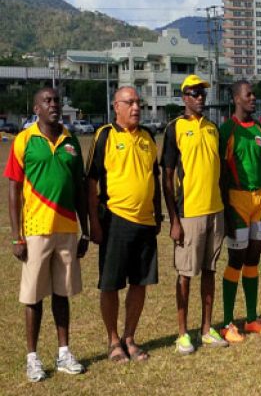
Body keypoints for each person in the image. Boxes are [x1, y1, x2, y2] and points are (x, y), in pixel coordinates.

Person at [5, 87, 88, 381]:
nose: (53, 104)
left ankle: (64, 352)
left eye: (56, 100)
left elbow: (79, 188)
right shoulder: (24, 141)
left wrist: (86, 231)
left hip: (67, 229)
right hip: (36, 230)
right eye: (47, 101)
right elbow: (14, 188)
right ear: (36, 108)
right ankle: (33, 357)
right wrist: (17, 235)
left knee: (62, 294)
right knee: (33, 297)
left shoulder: (71, 141)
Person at [87, 87, 161, 362]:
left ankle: (130, 337)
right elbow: (91, 181)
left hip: (145, 223)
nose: (136, 108)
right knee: (110, 284)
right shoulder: (105, 135)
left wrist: (158, 215)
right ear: (116, 106)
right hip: (115, 221)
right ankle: (114, 341)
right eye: (129, 102)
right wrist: (93, 222)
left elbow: (154, 177)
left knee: (140, 282)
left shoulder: (148, 137)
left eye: (139, 102)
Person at [162, 75, 227, 354]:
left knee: (210, 271)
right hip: (189, 213)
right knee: (186, 274)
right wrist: (174, 219)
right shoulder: (174, 128)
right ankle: (182, 333)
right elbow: (166, 177)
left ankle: (206, 328)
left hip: (215, 211)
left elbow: (220, 172)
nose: (200, 98)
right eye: (195, 93)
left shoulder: (213, 128)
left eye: (202, 93)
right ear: (184, 97)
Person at [218, 80, 261, 340]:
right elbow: (220, 174)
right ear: (236, 99)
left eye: (254, 93)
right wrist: (225, 210)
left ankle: (252, 318)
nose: (253, 98)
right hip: (237, 202)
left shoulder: (260, 131)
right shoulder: (227, 130)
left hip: (259, 202)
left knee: (254, 259)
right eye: (248, 94)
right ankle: (228, 322)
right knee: (236, 259)